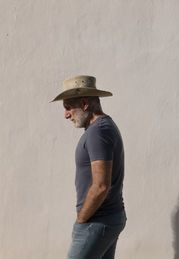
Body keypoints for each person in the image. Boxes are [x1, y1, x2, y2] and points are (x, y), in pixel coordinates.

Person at [51, 75, 126, 259]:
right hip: (107, 218)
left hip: (97, 221)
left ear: (85, 104)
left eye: (68, 108)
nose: (66, 115)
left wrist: (81, 220)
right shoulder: (103, 126)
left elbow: (100, 186)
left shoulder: (98, 132)